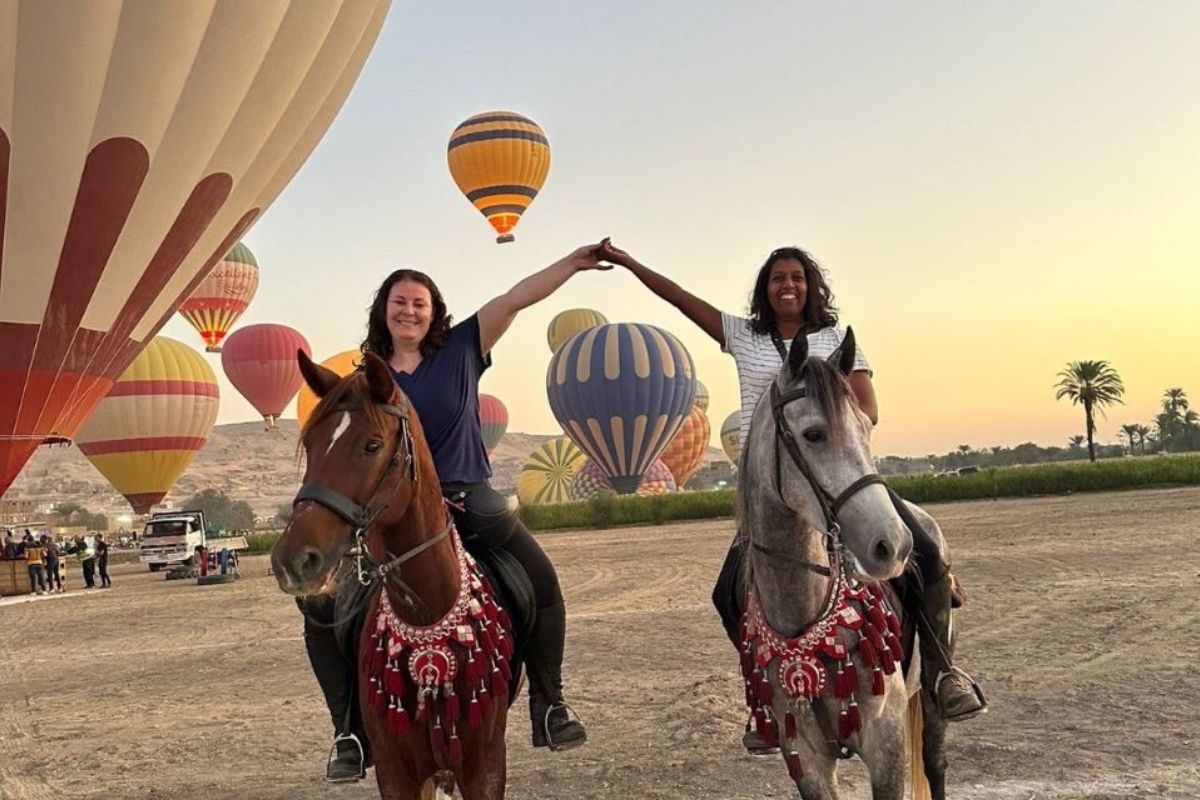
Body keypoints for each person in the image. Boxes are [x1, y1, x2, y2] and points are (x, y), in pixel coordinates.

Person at [598, 240, 986, 751]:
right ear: (765, 288)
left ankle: (942, 673)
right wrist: (628, 263)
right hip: (773, 489)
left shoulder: (836, 338)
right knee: (725, 594)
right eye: (778, 277)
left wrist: (827, 419)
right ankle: (765, 701)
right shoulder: (743, 336)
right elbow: (679, 300)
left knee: (927, 551)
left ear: (811, 286)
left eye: (797, 277)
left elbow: (868, 408)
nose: (788, 285)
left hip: (838, 468)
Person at [301, 243, 609, 782]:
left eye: (420, 303)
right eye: (400, 302)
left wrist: (571, 263)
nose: (410, 312)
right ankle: (347, 730)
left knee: (539, 578)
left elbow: (517, 298)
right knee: (324, 610)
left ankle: (550, 701)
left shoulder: (463, 347)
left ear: (434, 310)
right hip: (392, 510)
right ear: (384, 311)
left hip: (469, 497)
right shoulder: (366, 380)